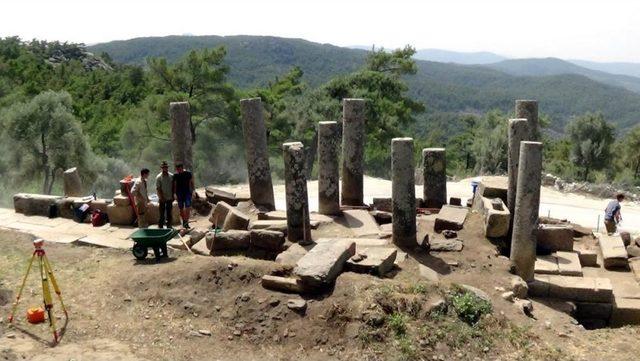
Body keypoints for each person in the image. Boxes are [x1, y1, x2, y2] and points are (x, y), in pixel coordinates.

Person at [173, 163, 194, 229]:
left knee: (187, 207)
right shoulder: (176, 175)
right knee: (181, 208)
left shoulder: (188, 173)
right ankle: (184, 222)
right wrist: (174, 193)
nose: (178, 170)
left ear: (182, 168)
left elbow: (191, 182)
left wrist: (193, 191)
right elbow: (175, 185)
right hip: (179, 193)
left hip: (187, 192)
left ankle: (186, 222)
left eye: (179, 169)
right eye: (177, 169)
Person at [155, 161, 174, 228]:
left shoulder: (171, 176)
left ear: (167, 168)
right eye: (163, 167)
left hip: (169, 197)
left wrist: (173, 195)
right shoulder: (159, 177)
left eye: (166, 167)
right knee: (161, 213)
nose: (165, 169)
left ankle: (169, 226)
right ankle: (160, 226)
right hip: (162, 198)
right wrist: (161, 197)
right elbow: (158, 188)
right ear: (162, 168)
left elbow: (173, 186)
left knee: (169, 213)